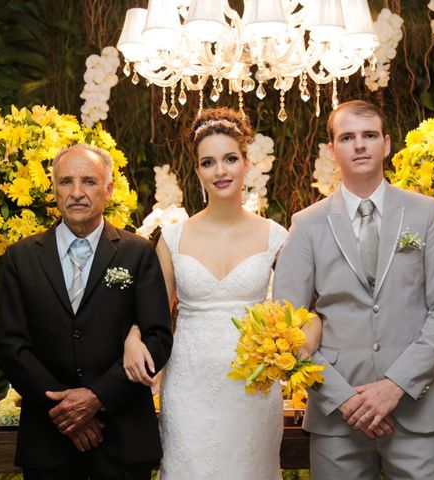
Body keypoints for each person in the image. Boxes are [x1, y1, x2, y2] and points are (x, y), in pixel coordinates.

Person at [273, 100, 434, 479]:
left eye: (369, 135)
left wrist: (396, 386)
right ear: (332, 151)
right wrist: (342, 398)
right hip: (337, 419)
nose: (359, 145)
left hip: (417, 411)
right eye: (347, 137)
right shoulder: (306, 225)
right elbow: (284, 328)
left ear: (387, 144)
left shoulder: (425, 214)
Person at [123, 107, 287, 479]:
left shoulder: (276, 237)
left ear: (247, 163)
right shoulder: (174, 238)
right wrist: (133, 334)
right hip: (190, 385)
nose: (221, 171)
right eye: (208, 162)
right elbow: (153, 313)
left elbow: (299, 311)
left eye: (230, 159)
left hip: (254, 386)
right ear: (197, 171)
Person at [0, 144, 173, 480]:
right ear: (54, 190)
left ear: (108, 190)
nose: (77, 193)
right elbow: (11, 346)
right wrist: (65, 411)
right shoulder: (21, 257)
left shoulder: (137, 253)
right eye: (66, 182)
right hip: (49, 440)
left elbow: (158, 338)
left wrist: (97, 397)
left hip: (122, 437)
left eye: (89, 182)